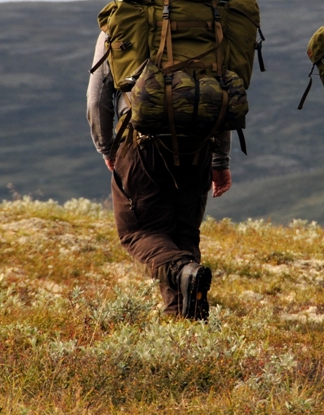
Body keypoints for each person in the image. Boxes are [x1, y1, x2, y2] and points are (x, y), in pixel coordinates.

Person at [87, 30, 232, 321]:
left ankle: (182, 272)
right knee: (184, 234)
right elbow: (220, 91)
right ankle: (188, 326)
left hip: (141, 142)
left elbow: (98, 96)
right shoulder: (209, 16)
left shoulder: (123, 19)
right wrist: (219, 158)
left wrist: (107, 148)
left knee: (137, 232)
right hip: (199, 141)